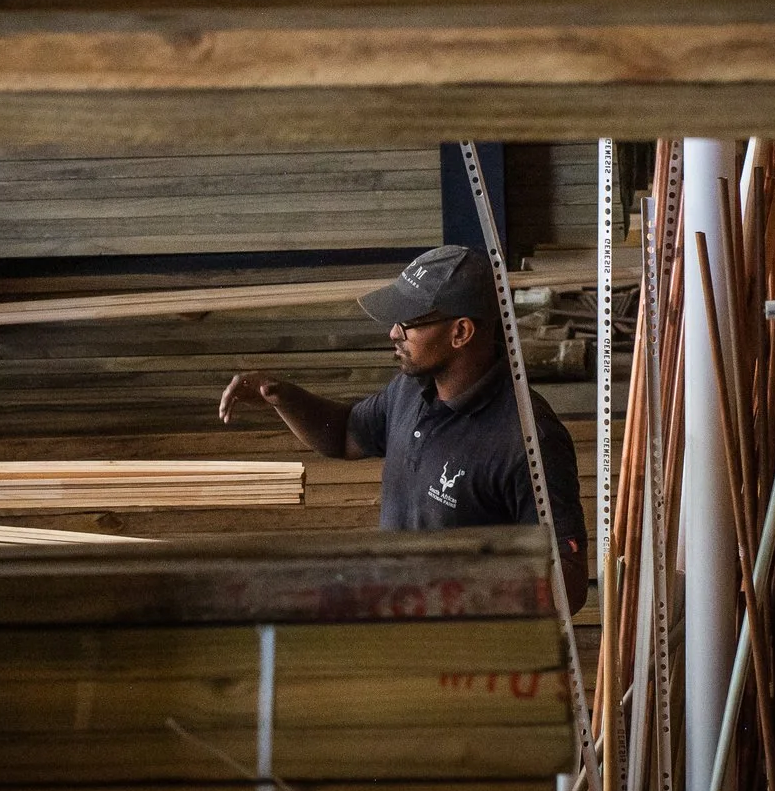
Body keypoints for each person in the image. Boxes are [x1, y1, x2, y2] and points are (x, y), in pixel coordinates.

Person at [219, 245, 589, 612]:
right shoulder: (411, 391)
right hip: (402, 629)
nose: (394, 333)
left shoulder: (527, 438)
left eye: (409, 322)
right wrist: (281, 396)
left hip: (467, 656)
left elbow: (568, 584)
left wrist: (449, 591)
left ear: (460, 332)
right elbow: (345, 433)